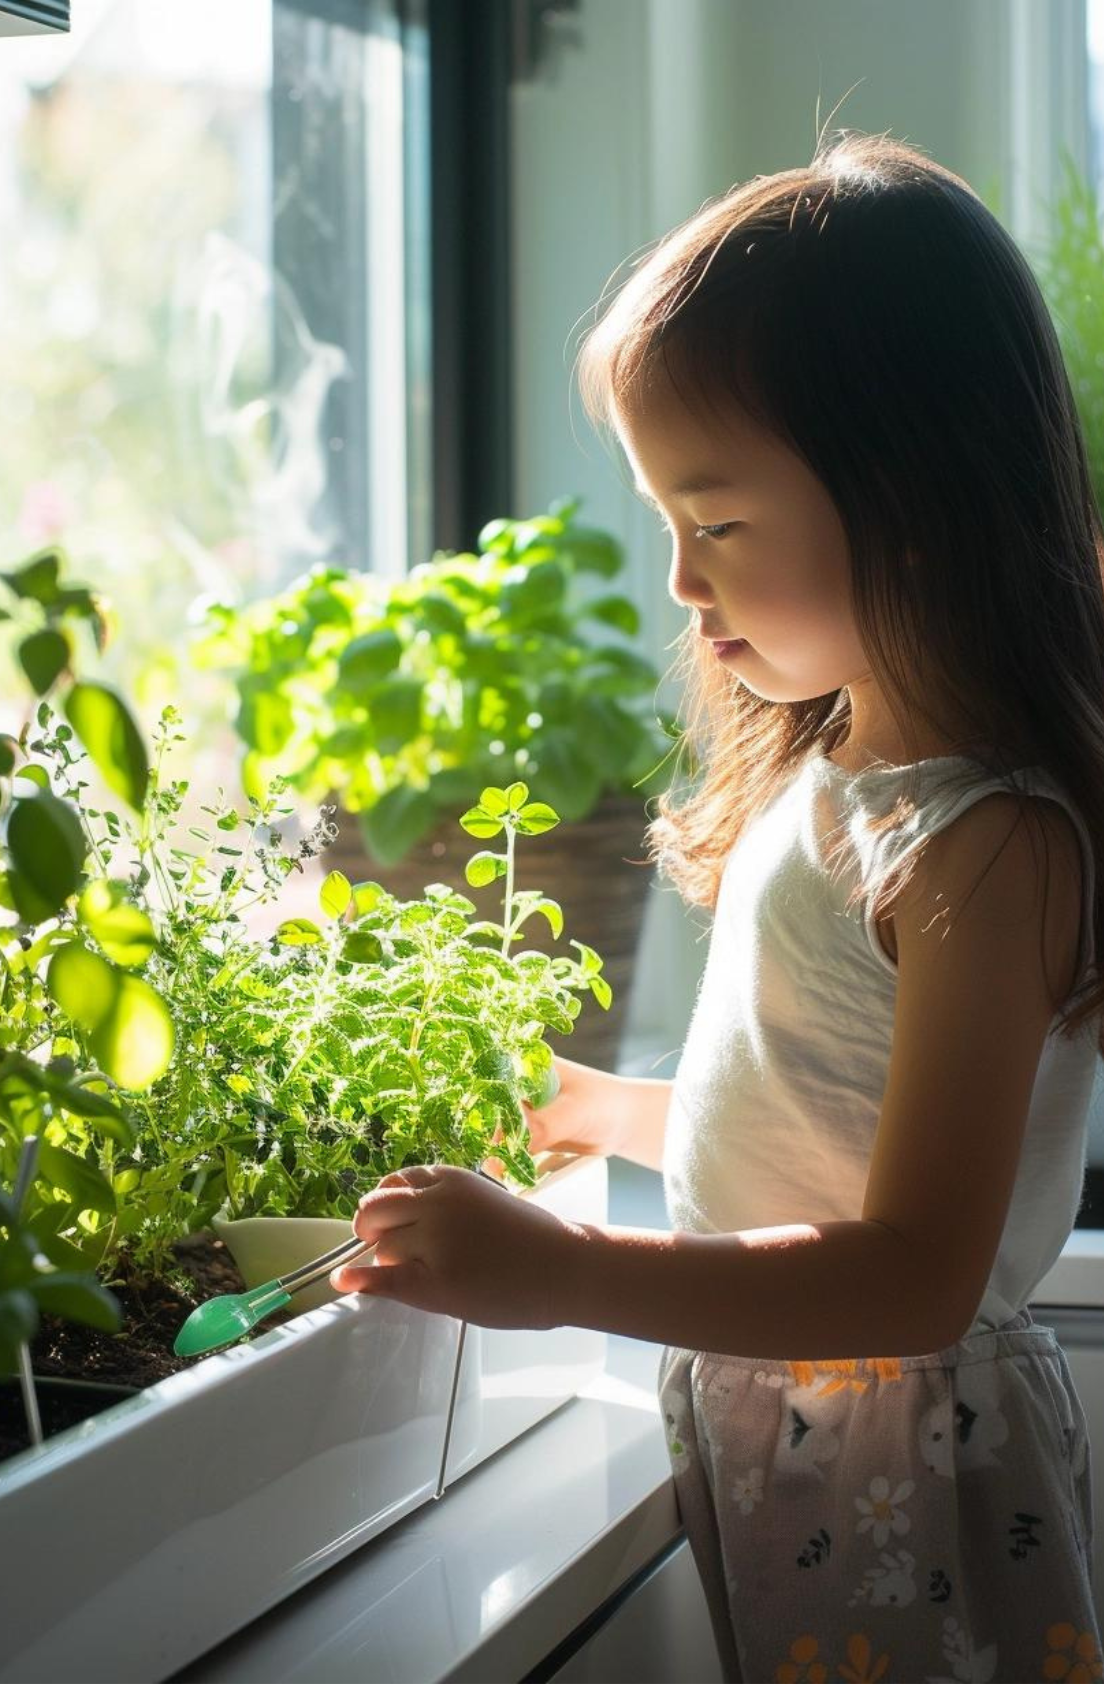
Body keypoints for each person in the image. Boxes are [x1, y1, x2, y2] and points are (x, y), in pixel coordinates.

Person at [330, 130, 1104, 1681]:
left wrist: (563, 1276)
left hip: (901, 1469)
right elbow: (816, 1106)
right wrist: (600, 1114)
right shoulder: (844, 779)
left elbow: (912, 1269)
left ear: (910, 501)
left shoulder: (987, 845)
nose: (681, 582)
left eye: (719, 525)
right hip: (815, 1436)